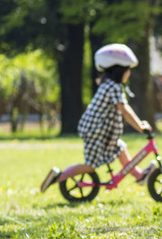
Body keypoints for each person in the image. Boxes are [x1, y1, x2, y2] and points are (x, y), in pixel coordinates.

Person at [40, 43, 154, 193]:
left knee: (120, 149)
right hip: (96, 132)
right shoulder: (113, 86)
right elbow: (124, 110)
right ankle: (59, 176)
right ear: (119, 71)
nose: (129, 74)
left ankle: (139, 175)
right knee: (90, 166)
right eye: (128, 70)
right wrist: (140, 127)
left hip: (100, 131)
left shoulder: (108, 84)